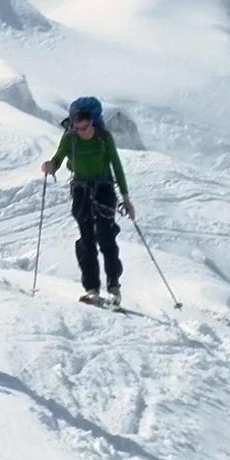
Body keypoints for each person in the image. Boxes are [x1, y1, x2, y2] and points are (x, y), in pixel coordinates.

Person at [40, 96, 134, 305]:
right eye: (77, 128)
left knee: (106, 236)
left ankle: (113, 287)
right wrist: (50, 166)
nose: (81, 132)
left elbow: (117, 167)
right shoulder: (70, 138)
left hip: (104, 189)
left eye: (84, 127)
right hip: (81, 190)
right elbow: (58, 159)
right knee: (87, 239)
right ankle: (92, 288)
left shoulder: (104, 138)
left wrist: (126, 198)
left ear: (92, 122)